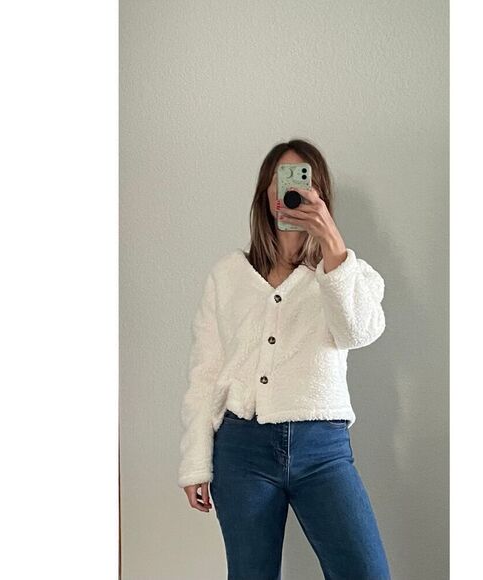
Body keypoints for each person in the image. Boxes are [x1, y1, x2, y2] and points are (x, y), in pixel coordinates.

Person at [178, 139, 391, 580]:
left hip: (323, 449)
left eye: (302, 180)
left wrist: (332, 244)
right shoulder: (227, 275)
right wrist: (196, 460)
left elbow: (359, 333)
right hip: (242, 449)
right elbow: (206, 373)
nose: (291, 191)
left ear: (320, 193)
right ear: (266, 192)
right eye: (282, 179)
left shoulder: (347, 274)